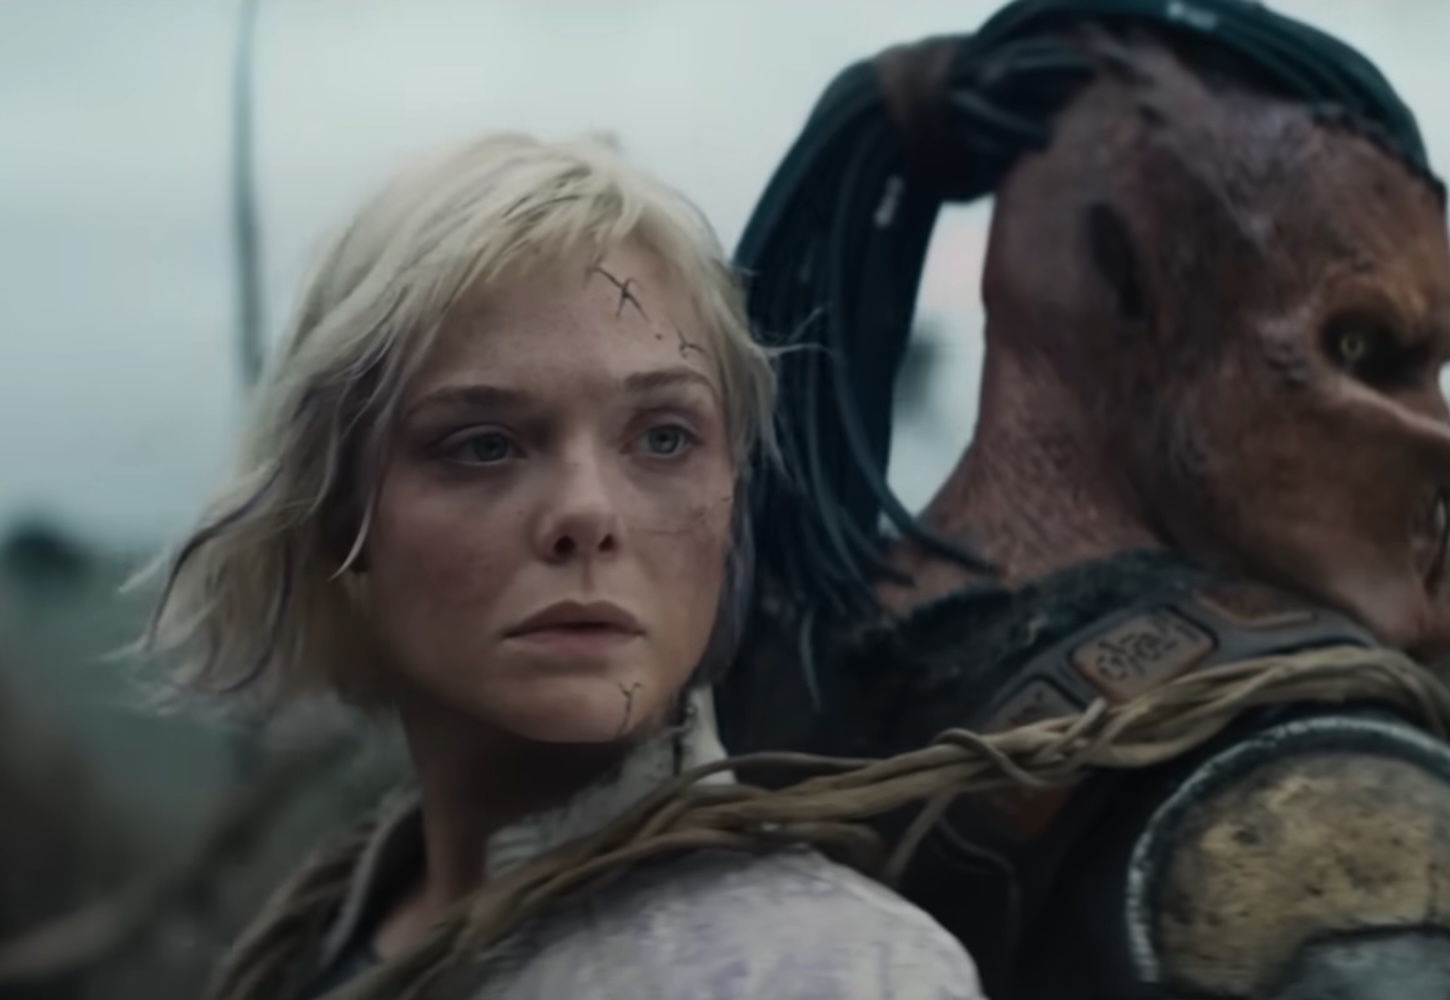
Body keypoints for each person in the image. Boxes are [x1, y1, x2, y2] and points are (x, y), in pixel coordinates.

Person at [715, 1, 1450, 998]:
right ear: (1120, 276)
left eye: (1434, 369)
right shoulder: (1336, 820)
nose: (1442, 432)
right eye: (1360, 347)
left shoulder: (733, 681)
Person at [138, 132, 984, 1000]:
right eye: (484, 444)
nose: (588, 513)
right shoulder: (327, 931)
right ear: (336, 510)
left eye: (665, 438)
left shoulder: (832, 976)